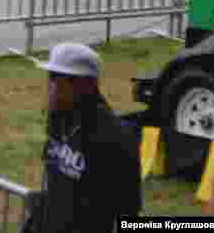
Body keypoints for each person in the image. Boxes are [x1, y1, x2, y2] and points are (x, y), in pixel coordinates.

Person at [30, 42, 140, 233]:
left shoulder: (116, 137)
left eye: (58, 78)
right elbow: (51, 176)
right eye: (50, 77)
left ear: (86, 85)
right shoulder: (58, 117)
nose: (52, 86)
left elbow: (128, 209)